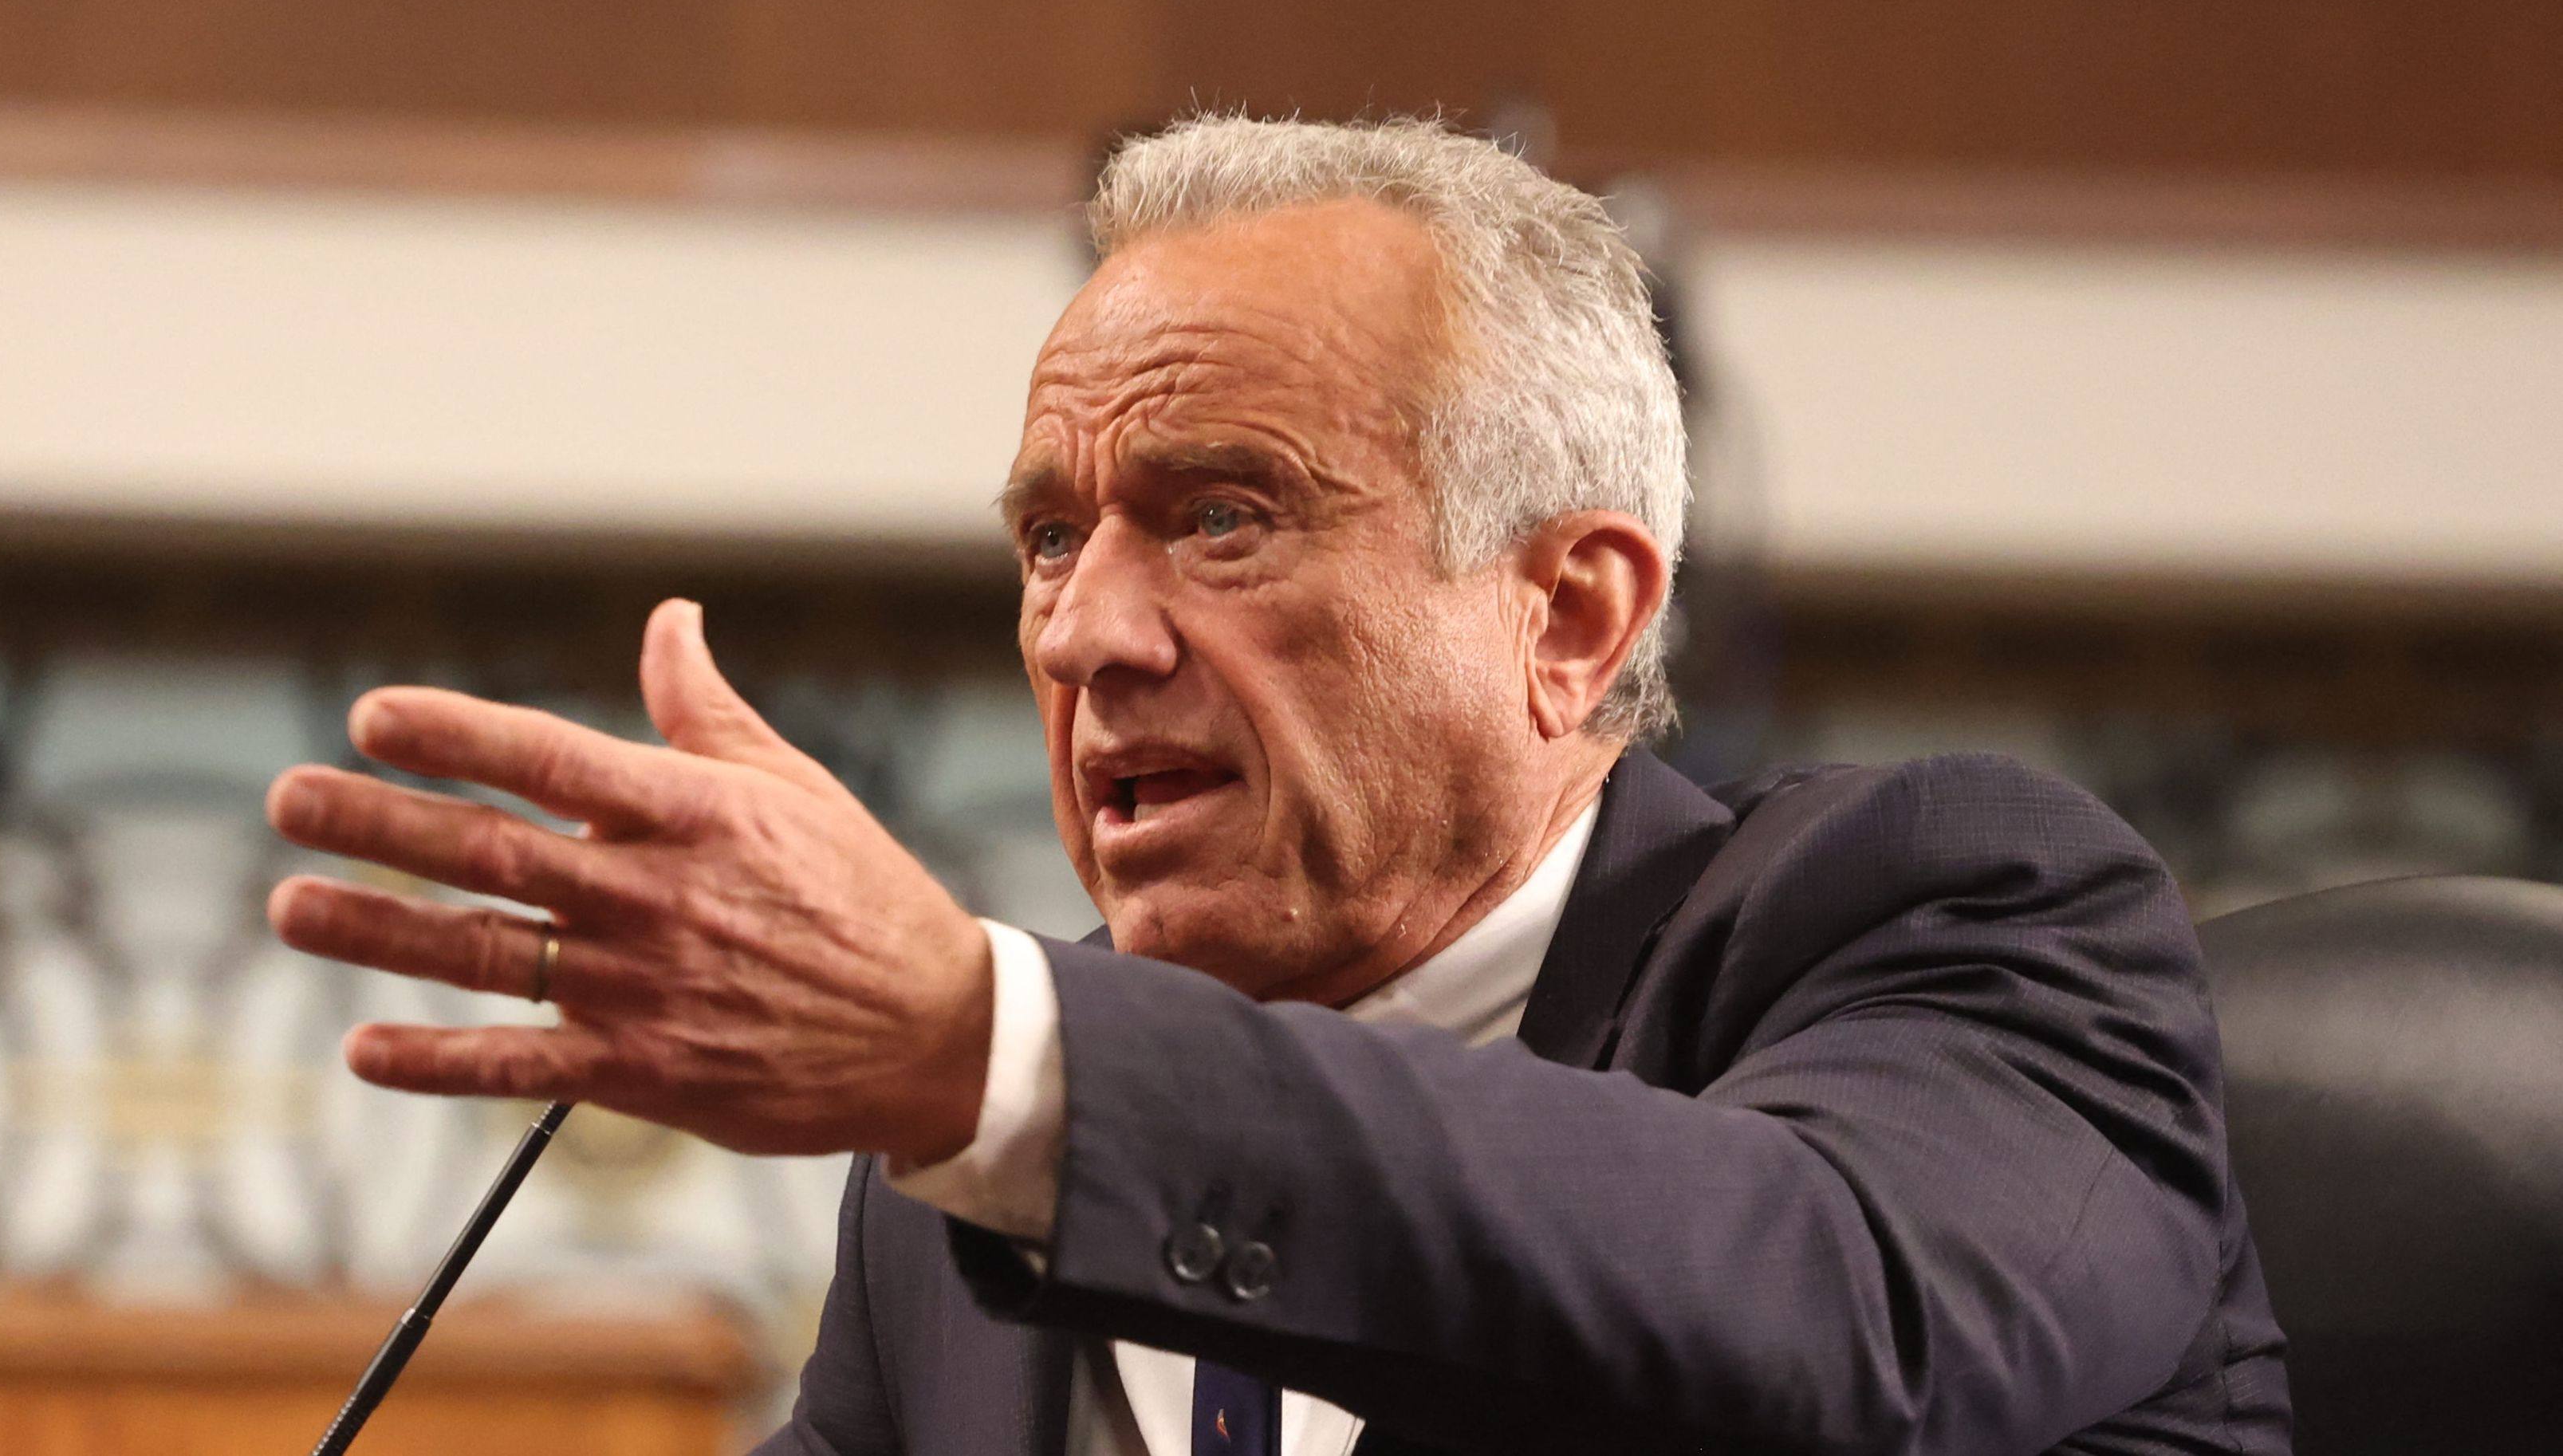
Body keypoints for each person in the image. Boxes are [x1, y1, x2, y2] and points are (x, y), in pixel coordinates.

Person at [264, 116, 2290, 1454]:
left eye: (1221, 518)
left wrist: (1003, 1053)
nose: (1082, 638)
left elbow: (1833, 1327)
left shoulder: (1945, 916)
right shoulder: (948, 1202)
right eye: (1049, 540)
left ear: (1569, 614)